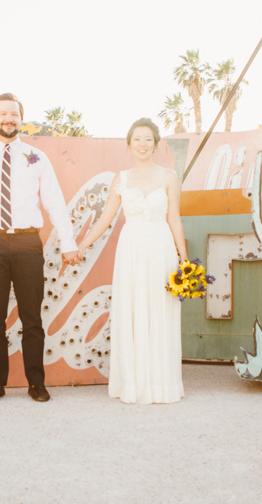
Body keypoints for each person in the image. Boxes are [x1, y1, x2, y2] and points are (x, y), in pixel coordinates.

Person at [0, 93, 79, 403]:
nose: (9, 119)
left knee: (32, 317)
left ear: (21, 120)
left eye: (14, 114)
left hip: (27, 243)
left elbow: (54, 202)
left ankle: (36, 382)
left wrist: (68, 243)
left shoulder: (35, 157)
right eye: (3, 114)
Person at [76, 118, 188, 404]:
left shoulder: (169, 177)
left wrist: (184, 258)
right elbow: (105, 218)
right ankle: (134, 382)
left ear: (156, 144)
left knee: (160, 309)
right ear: (129, 145)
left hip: (161, 247)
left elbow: (174, 218)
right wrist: (82, 245)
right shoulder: (121, 179)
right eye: (137, 139)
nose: (142, 144)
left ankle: (161, 384)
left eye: (148, 139)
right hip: (131, 250)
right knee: (133, 308)